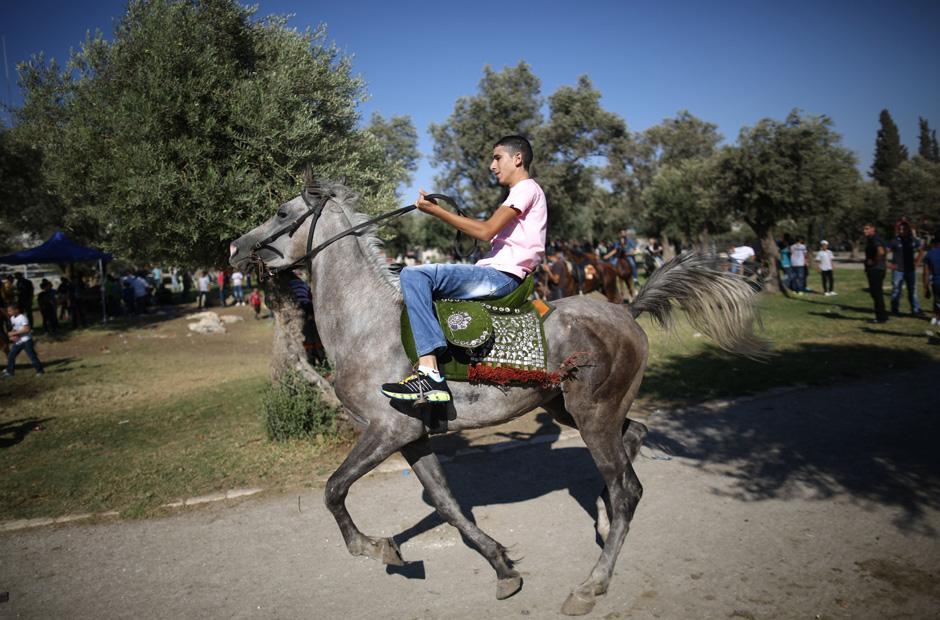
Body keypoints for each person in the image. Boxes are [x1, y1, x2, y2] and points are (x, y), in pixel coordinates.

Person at [381, 135, 547, 403]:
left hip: (502, 277)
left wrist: (437, 212)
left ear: (517, 158)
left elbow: (485, 231)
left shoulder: (526, 189)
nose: (492, 166)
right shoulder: (521, 193)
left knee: (414, 274)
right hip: (500, 273)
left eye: (497, 158)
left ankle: (429, 373)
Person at [887, 219, 924, 316]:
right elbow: (884, 252)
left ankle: (915, 310)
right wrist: (889, 265)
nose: (902, 230)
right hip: (898, 270)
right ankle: (894, 310)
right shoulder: (894, 240)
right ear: (898, 229)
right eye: (900, 229)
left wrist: (917, 263)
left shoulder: (913, 240)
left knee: (912, 290)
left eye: (904, 228)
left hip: (910, 270)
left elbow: (921, 251)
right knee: (896, 290)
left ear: (908, 229)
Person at [2, 302, 45, 378]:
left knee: (32, 357)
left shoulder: (22, 317)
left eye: (10, 311)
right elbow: (15, 328)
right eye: (8, 311)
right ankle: (10, 373)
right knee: (11, 356)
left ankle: (40, 371)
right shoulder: (12, 318)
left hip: (26, 341)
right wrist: (13, 334)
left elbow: (27, 329)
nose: (8, 312)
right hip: (18, 342)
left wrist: (13, 333)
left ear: (16, 310)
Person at [863, 223, 888, 323]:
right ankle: (882, 315)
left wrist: (874, 261)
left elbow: (881, 252)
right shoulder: (873, 239)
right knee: (876, 293)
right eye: (864, 229)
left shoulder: (874, 239)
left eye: (867, 229)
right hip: (877, 269)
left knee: (876, 293)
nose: (864, 231)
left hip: (876, 269)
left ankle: (880, 317)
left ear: (873, 229)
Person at [923, 236, 940, 326]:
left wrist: (926, 287)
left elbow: (926, 272)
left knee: (937, 299)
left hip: (936, 281)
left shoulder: (930, 253)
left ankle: (935, 317)